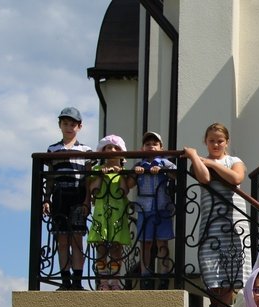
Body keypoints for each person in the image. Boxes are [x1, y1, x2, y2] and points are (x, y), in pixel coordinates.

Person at [185, 123, 249, 307]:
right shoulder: (199, 161)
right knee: (210, 260)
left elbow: (236, 178)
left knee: (232, 259)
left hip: (233, 219)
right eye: (211, 140)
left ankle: (224, 306)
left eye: (220, 141)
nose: (215, 144)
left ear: (226, 142)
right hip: (211, 219)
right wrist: (193, 155)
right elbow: (204, 178)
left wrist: (213, 164)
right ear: (205, 141)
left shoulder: (233, 160)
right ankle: (216, 304)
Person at [42, 107, 92, 290]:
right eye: (65, 124)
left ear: (79, 127)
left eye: (72, 124)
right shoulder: (53, 149)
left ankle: (77, 281)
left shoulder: (85, 150)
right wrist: (47, 198)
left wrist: (87, 200)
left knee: (77, 239)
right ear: (60, 125)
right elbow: (50, 177)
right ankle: (65, 281)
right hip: (60, 196)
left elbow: (88, 179)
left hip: (78, 196)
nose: (69, 127)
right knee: (62, 240)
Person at [132, 131, 176, 289]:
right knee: (145, 242)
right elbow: (129, 183)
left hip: (162, 207)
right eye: (148, 144)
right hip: (144, 208)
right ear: (142, 148)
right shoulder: (139, 164)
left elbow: (176, 174)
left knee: (162, 241)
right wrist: (135, 173)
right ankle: (145, 275)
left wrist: (163, 169)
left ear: (161, 147)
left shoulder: (165, 162)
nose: (151, 146)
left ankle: (164, 274)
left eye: (155, 144)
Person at [87, 135, 131, 290]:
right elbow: (93, 189)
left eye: (116, 148)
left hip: (118, 212)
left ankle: (116, 280)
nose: (112, 150)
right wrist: (101, 175)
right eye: (108, 147)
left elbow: (125, 190)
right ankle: (104, 281)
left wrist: (121, 174)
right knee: (101, 247)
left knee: (116, 247)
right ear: (102, 151)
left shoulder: (124, 171)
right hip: (101, 212)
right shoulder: (96, 170)